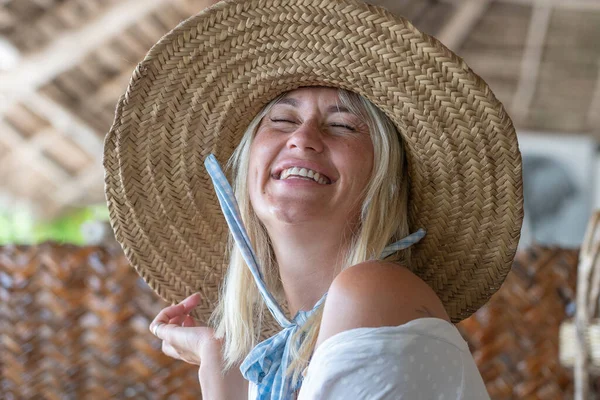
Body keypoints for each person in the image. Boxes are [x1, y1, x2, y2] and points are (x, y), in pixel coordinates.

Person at [103, 0, 524, 398]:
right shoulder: (293, 353)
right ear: (245, 172)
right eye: (283, 120)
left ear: (388, 182)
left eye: (342, 126)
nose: (302, 138)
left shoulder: (372, 293)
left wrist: (215, 374)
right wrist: (218, 360)